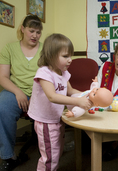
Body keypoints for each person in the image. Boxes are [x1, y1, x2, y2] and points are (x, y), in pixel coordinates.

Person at [27, 33, 92, 171]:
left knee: (57, 150)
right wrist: (79, 102)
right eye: (65, 56)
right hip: (45, 121)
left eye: (71, 56)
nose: (70, 60)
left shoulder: (63, 73)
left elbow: (70, 90)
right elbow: (52, 96)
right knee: (50, 157)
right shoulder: (44, 73)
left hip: (56, 118)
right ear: (51, 55)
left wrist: (86, 95)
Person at [0, 15, 43, 171]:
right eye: (31, 31)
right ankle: (9, 157)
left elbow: (52, 75)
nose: (34, 35)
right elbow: (2, 76)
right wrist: (18, 92)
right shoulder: (9, 48)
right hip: (15, 90)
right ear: (23, 29)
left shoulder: (46, 49)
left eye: (38, 32)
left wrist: (38, 94)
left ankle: (53, 150)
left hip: (40, 91)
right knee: (0, 110)